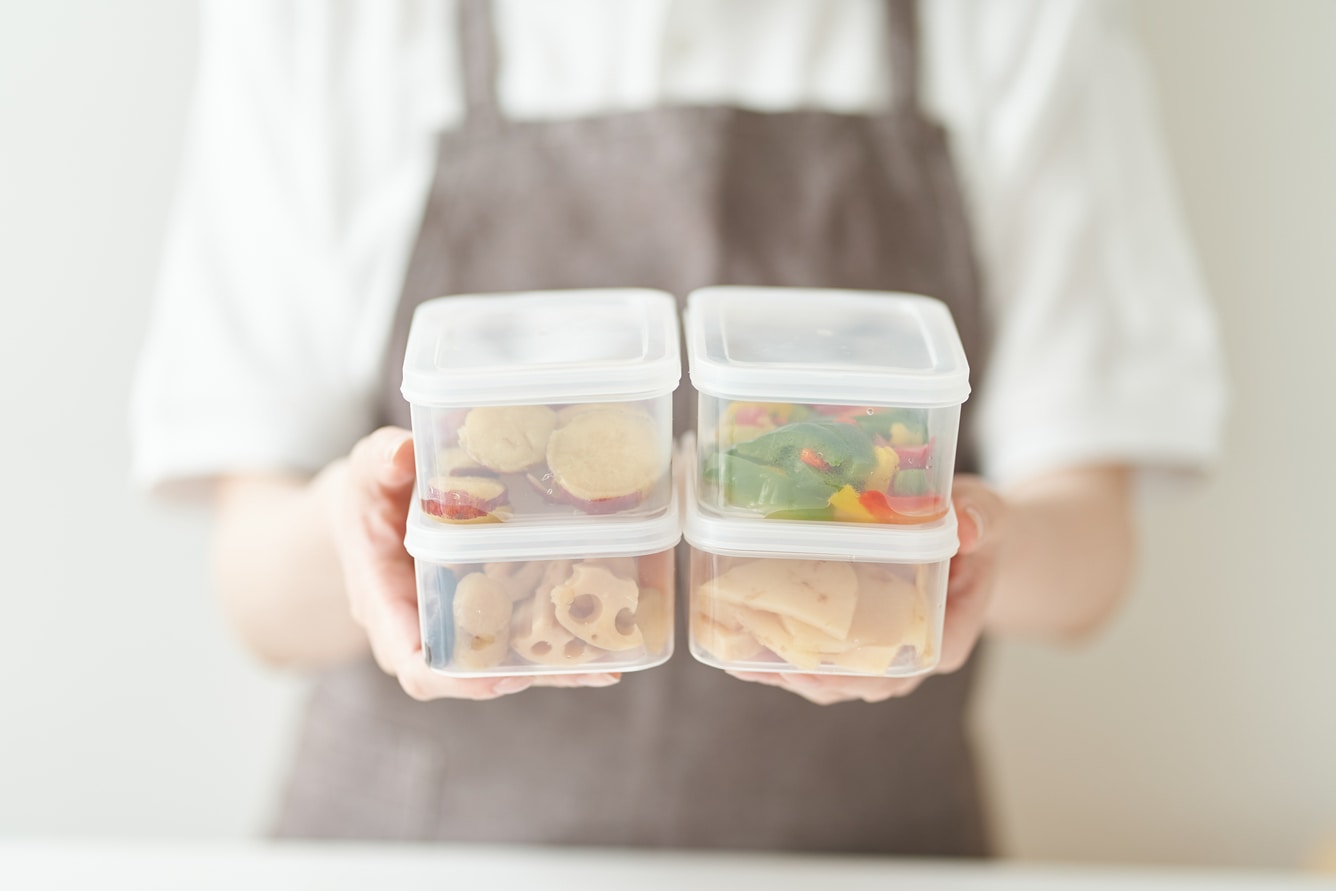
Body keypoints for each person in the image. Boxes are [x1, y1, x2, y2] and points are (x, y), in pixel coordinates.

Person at [132, 0, 1225, 853]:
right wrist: (360, 531)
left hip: (865, 849)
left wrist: (956, 549)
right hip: (418, 846)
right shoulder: (327, 24)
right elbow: (257, 596)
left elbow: (1089, 561)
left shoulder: (1010, 22)